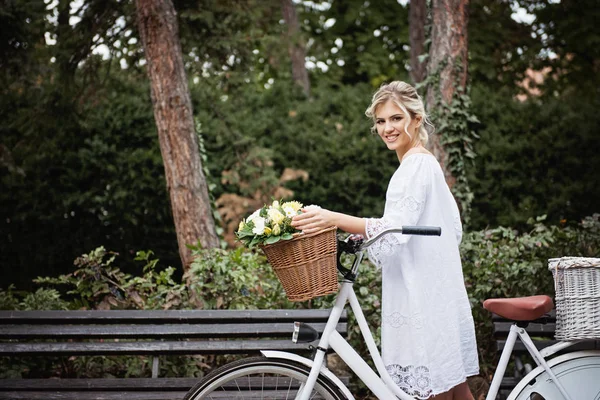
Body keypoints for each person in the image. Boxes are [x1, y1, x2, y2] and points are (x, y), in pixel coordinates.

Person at [291, 81, 479, 400]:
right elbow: (436, 229)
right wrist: (363, 231)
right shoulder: (422, 163)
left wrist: (332, 217)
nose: (387, 128)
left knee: (435, 389)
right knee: (456, 391)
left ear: (416, 119)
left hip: (423, 298)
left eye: (395, 118)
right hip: (434, 293)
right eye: (380, 121)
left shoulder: (416, 165)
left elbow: (396, 229)